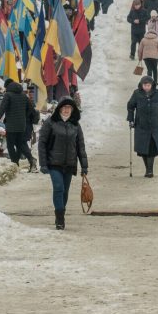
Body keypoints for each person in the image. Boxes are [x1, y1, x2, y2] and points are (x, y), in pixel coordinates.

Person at [37, 97, 89, 230]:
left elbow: (80, 147)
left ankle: (61, 212)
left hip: (70, 164)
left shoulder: (76, 125)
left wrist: (84, 165)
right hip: (54, 163)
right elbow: (42, 143)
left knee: (65, 192)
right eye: (64, 108)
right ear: (60, 109)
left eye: (69, 108)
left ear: (72, 110)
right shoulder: (51, 122)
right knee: (58, 188)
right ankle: (59, 218)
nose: (66, 110)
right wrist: (43, 163)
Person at [127, 76, 158, 178]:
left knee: (151, 148)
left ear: (152, 85)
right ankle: (148, 169)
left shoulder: (157, 93)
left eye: (148, 85)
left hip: (155, 125)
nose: (146, 87)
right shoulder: (137, 93)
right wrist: (131, 119)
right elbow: (130, 106)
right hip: (141, 126)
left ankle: (150, 171)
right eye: (144, 85)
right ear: (141, 85)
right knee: (143, 149)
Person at [0, 79, 40, 172]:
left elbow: (2, 108)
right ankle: (22, 161)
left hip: (11, 126)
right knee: (19, 144)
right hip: (22, 125)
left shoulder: (7, 95)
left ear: (7, 86)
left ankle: (15, 163)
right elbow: (31, 109)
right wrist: (24, 116)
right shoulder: (23, 95)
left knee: (10, 145)